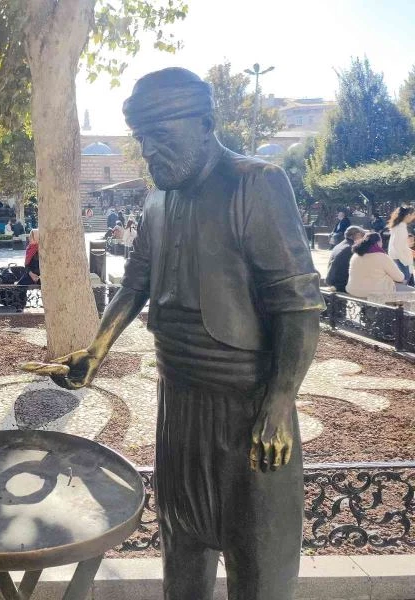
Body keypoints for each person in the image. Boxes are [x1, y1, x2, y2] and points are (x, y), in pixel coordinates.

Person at [23, 68, 323, 600]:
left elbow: (297, 302)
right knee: (181, 550)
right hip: (177, 403)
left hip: (246, 406)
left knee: (259, 566)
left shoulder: (255, 182)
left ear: (206, 123)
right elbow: (135, 282)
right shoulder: (157, 200)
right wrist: (95, 352)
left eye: (163, 136)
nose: (151, 152)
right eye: (143, 140)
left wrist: (279, 404)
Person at [346, 232, 410, 297]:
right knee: (411, 292)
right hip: (375, 294)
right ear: (378, 242)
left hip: (354, 291)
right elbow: (400, 278)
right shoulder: (381, 256)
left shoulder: (355, 255)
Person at [325, 225, 366, 293]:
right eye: (363, 236)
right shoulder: (352, 248)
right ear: (358, 235)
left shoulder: (339, 245)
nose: (364, 240)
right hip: (341, 284)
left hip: (331, 280)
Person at [386, 206, 415, 281]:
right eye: (413, 214)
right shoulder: (401, 228)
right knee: (405, 280)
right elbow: (397, 246)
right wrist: (404, 260)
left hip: (397, 257)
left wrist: (408, 250)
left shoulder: (398, 226)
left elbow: (398, 244)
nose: (414, 217)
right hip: (400, 259)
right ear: (408, 215)